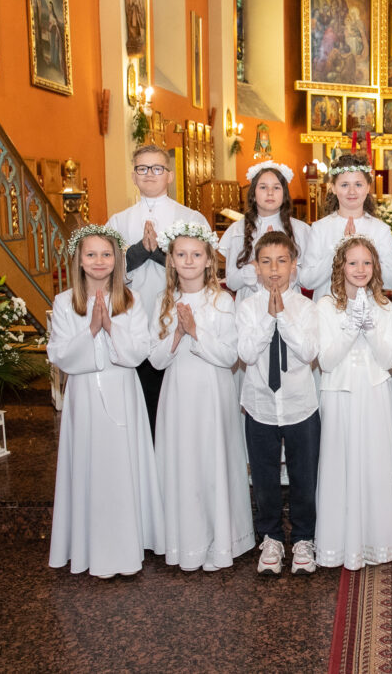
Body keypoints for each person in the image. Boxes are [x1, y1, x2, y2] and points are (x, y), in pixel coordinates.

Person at [47, 225, 165, 579]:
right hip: (84, 397)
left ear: (117, 260)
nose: (99, 261)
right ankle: (88, 545)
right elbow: (60, 355)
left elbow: (139, 351)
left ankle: (130, 542)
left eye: (106, 254)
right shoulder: (65, 302)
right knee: (89, 464)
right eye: (91, 254)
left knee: (122, 464)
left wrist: (111, 327)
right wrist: (91, 329)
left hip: (122, 392)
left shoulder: (130, 300)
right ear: (79, 261)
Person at [148, 222, 253, 572]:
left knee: (213, 461)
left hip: (213, 391)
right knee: (184, 462)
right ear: (172, 261)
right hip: (178, 394)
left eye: (196, 254)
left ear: (210, 260)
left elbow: (229, 356)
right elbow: (157, 359)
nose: (189, 260)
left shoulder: (222, 301)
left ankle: (220, 542)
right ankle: (186, 543)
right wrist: (177, 334)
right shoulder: (163, 303)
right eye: (181, 255)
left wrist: (196, 332)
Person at [106, 144, 210, 437]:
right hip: (133, 316)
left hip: (177, 318)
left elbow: (204, 265)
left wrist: (161, 255)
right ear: (133, 176)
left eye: (157, 168)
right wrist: (138, 252)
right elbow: (105, 268)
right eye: (142, 168)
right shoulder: (118, 221)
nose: (149, 174)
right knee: (141, 398)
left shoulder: (191, 218)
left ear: (169, 175)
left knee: (176, 397)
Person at [314, 237, 392, 570]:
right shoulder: (325, 306)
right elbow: (326, 360)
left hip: (374, 390)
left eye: (367, 263)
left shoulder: (385, 306)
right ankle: (339, 544)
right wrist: (352, 325)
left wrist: (370, 326)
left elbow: (388, 358)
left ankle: (377, 540)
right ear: (341, 267)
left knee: (375, 462)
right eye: (353, 263)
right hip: (339, 393)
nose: (360, 269)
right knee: (340, 462)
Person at [236, 232, 320, 576]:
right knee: (265, 476)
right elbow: (245, 353)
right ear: (255, 267)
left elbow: (309, 351)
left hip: (301, 404)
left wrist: (282, 317)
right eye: (266, 262)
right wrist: (268, 319)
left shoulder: (306, 307)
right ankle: (270, 537)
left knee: (303, 476)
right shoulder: (247, 308)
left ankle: (303, 538)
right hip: (260, 405)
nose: (274, 270)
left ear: (294, 265)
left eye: (282, 261)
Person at [299, 154, 392, 300]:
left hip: (367, 310)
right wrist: (338, 250)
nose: (352, 191)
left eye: (358, 184)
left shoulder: (380, 229)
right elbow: (307, 281)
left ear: (368, 187)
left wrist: (366, 257)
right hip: (328, 309)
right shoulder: (320, 228)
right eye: (344, 185)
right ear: (333, 187)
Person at [217, 161, 311, 296]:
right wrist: (255, 265)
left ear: (284, 195)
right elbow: (232, 282)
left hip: (289, 304)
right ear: (253, 195)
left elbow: (307, 280)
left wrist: (288, 267)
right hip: (250, 308)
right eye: (263, 187)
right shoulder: (238, 230)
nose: (270, 193)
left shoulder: (301, 230)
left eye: (276, 187)